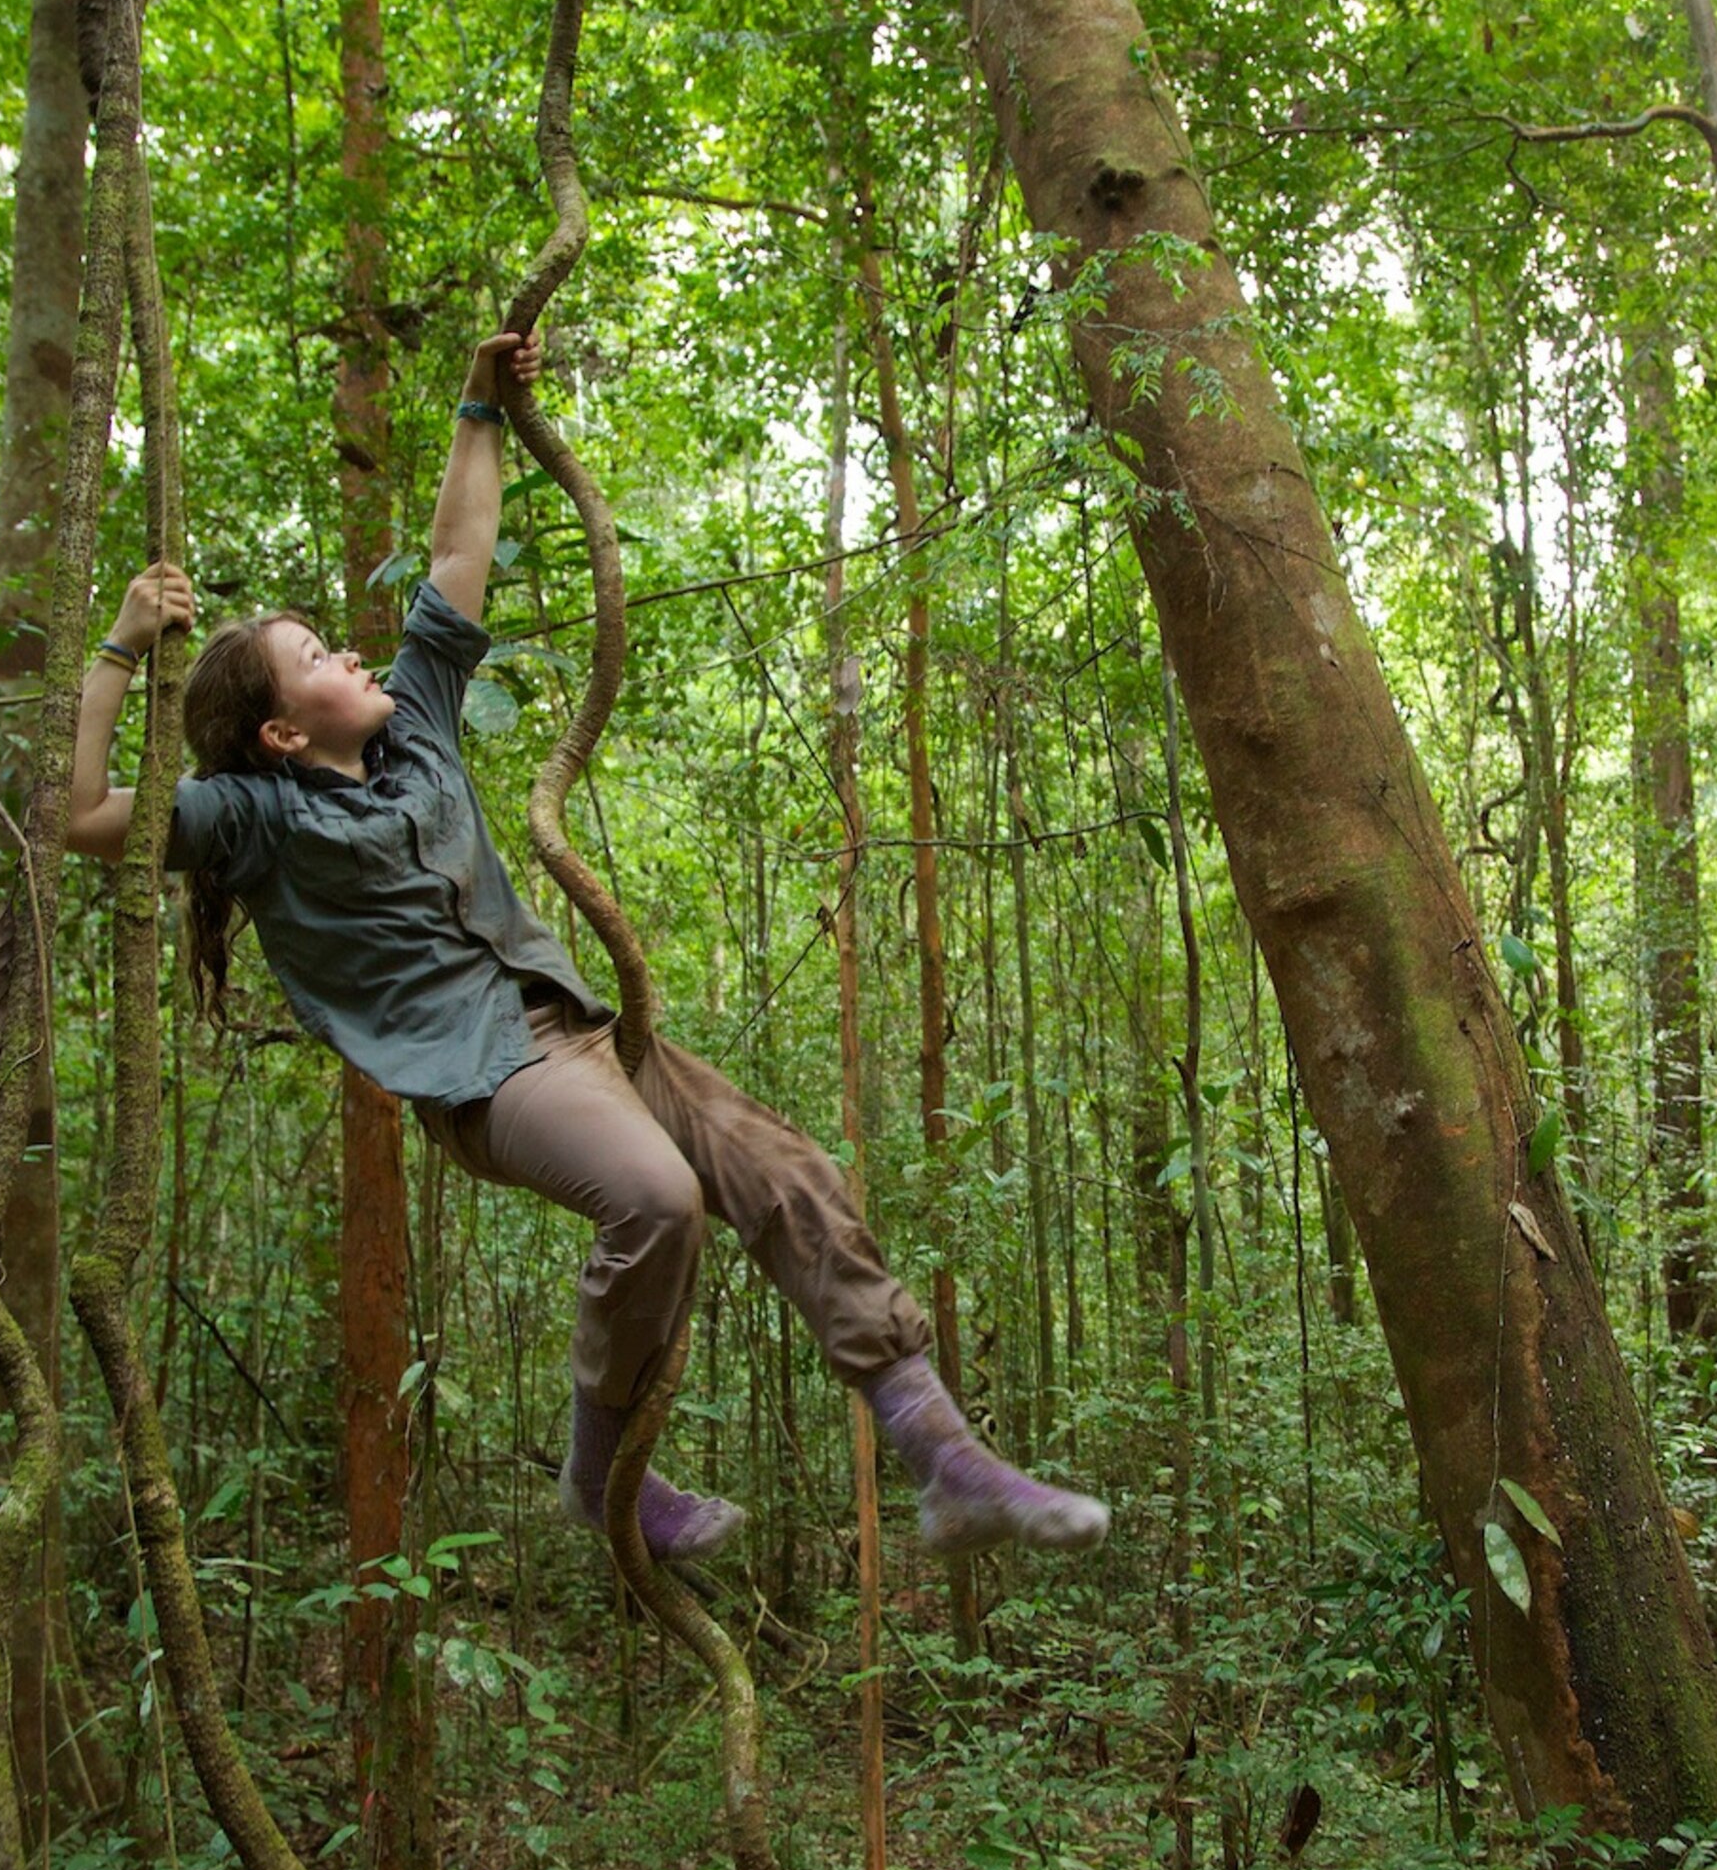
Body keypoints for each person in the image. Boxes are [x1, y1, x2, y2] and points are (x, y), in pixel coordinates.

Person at [65, 328, 1107, 1566]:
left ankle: (946, 1456)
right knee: (657, 1197)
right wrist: (122, 646)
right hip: (486, 1076)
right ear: (285, 732)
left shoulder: (422, 734)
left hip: (579, 1027)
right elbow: (84, 819)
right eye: (317, 658)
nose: (349, 652)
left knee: (783, 1173)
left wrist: (479, 403)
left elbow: (458, 552)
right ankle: (600, 1464)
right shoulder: (251, 818)